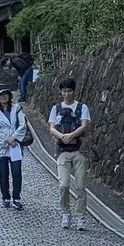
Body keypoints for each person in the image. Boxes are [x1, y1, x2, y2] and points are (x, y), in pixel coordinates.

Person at [48, 79, 91, 231]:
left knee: (80, 186)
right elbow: (52, 128)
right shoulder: (56, 108)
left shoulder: (82, 107)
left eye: (69, 91)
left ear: (74, 91)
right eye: (64, 91)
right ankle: (66, 213)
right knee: (64, 185)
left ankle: (80, 217)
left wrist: (71, 135)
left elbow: (85, 125)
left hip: (79, 151)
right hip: (63, 151)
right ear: (61, 92)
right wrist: (62, 136)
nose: (67, 94)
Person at [0, 87, 26, 209]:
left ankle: (16, 197)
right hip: (1, 147)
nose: (3, 97)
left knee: (16, 172)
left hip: (15, 146)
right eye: (1, 95)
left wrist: (14, 138)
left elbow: (22, 125)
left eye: (5, 95)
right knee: (3, 173)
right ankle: (6, 197)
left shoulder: (17, 108)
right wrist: (7, 140)